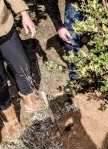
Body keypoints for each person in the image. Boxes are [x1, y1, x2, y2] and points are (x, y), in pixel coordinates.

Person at [0, 0, 40, 138]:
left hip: (5, 27)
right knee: (0, 82)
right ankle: (10, 121)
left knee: (23, 66)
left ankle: (29, 100)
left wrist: (24, 13)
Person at [43, 0, 85, 80]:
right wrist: (59, 26)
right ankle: (75, 77)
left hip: (104, 4)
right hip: (74, 4)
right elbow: (49, 2)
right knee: (70, 41)